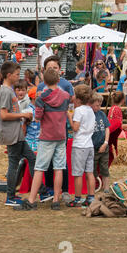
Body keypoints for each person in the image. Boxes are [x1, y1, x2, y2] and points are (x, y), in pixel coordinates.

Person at [14, 69, 70, 211]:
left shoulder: (41, 98)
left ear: (44, 82)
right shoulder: (65, 96)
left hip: (47, 136)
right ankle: (56, 200)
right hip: (61, 135)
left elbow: (38, 117)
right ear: (58, 80)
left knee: (39, 168)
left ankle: (32, 200)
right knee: (59, 168)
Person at [36, 55, 74, 203]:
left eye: (55, 68)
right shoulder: (40, 87)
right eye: (49, 68)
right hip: (46, 129)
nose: (52, 70)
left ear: (60, 70)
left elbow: (70, 103)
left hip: (60, 127)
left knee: (60, 161)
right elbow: (38, 106)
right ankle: (50, 189)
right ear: (45, 70)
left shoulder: (66, 85)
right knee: (47, 162)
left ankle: (64, 190)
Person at [0, 61, 35, 206]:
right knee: (14, 164)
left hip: (16, 133)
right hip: (12, 133)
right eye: (17, 74)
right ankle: (10, 196)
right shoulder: (6, 92)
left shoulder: (9, 90)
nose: (18, 77)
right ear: (9, 75)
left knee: (31, 158)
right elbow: (4, 115)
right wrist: (23, 115)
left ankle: (41, 190)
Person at [66, 84, 96, 207]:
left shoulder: (79, 111)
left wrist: (69, 117)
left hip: (80, 145)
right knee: (90, 172)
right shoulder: (91, 110)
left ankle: (77, 199)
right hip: (89, 145)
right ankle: (91, 197)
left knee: (78, 174)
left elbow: (75, 128)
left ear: (78, 99)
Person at [91, 93, 110, 192]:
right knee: (92, 168)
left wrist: (106, 142)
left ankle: (106, 186)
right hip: (93, 147)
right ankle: (93, 186)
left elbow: (107, 128)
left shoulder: (101, 114)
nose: (99, 107)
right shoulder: (89, 115)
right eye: (97, 105)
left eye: (100, 105)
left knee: (104, 167)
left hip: (104, 145)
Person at [23, 87, 40, 153]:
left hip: (37, 142)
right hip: (32, 143)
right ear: (34, 97)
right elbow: (23, 128)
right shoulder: (28, 111)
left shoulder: (39, 109)